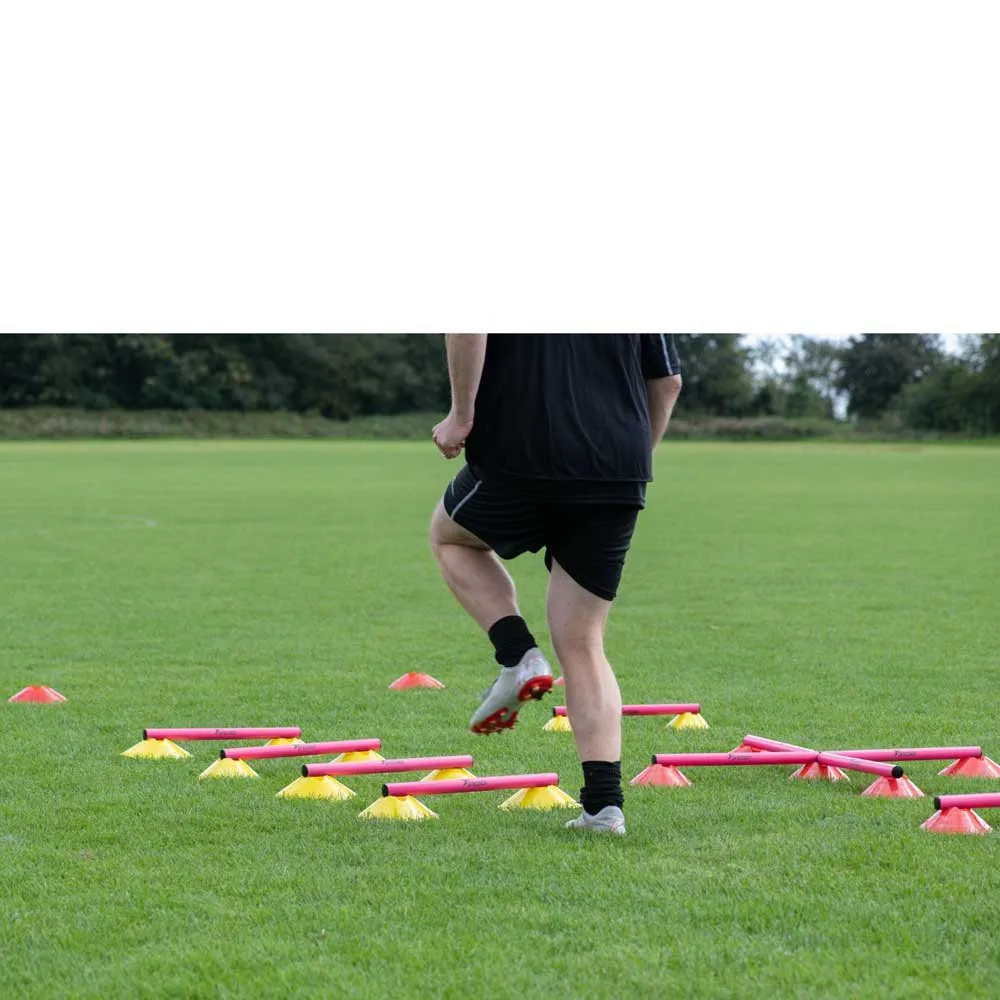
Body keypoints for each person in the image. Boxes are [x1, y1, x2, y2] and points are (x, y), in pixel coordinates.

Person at [429, 334, 682, 836]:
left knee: (451, 538)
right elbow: (668, 382)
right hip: (618, 467)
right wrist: (631, 459)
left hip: (522, 449)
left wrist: (460, 415)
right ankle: (604, 809)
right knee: (584, 643)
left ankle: (518, 655)